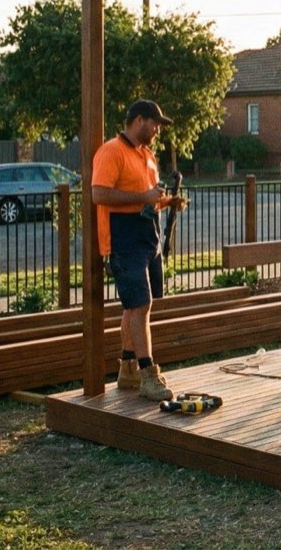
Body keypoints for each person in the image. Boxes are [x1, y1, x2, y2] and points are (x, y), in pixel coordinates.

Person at [92, 99, 188, 401]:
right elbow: (99, 193)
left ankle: (128, 368)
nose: (158, 129)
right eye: (155, 123)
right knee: (140, 306)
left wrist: (167, 202)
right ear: (138, 121)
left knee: (135, 306)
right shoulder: (112, 151)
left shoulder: (147, 155)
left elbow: (148, 198)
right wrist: (143, 197)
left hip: (148, 237)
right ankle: (147, 374)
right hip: (124, 238)